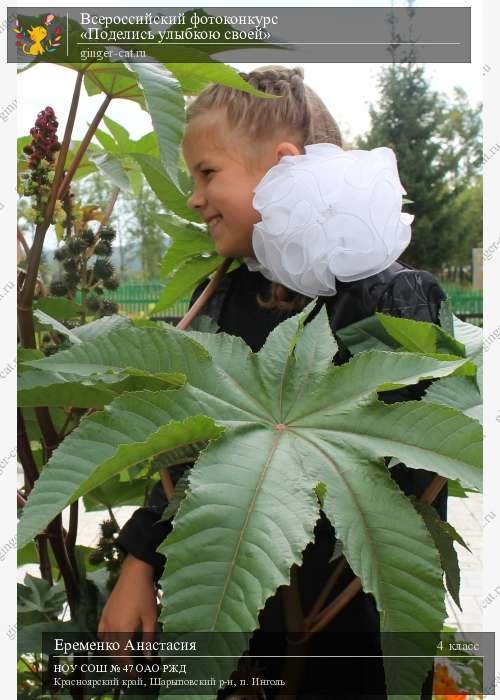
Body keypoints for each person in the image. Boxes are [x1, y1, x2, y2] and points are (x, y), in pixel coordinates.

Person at [98, 65, 448, 698]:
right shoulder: (223, 297)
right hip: (241, 611)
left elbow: (419, 463)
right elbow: (186, 450)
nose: (194, 197)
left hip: (349, 623)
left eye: (208, 173)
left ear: (284, 167)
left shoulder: (391, 298)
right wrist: (140, 561)